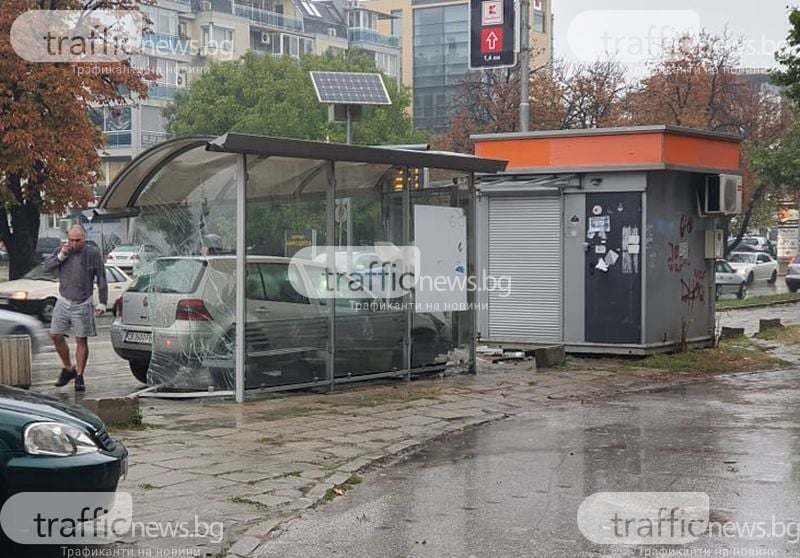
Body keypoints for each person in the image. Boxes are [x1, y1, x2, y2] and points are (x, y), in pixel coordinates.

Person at [42, 224, 108, 392]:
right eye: (71, 240)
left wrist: (103, 302)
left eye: (77, 240)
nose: (74, 243)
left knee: (81, 339)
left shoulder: (92, 254)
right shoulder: (63, 250)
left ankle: (79, 375)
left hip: (83, 302)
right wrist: (61, 256)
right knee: (56, 335)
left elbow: (101, 278)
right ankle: (68, 369)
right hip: (63, 300)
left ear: (84, 239)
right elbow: (46, 267)